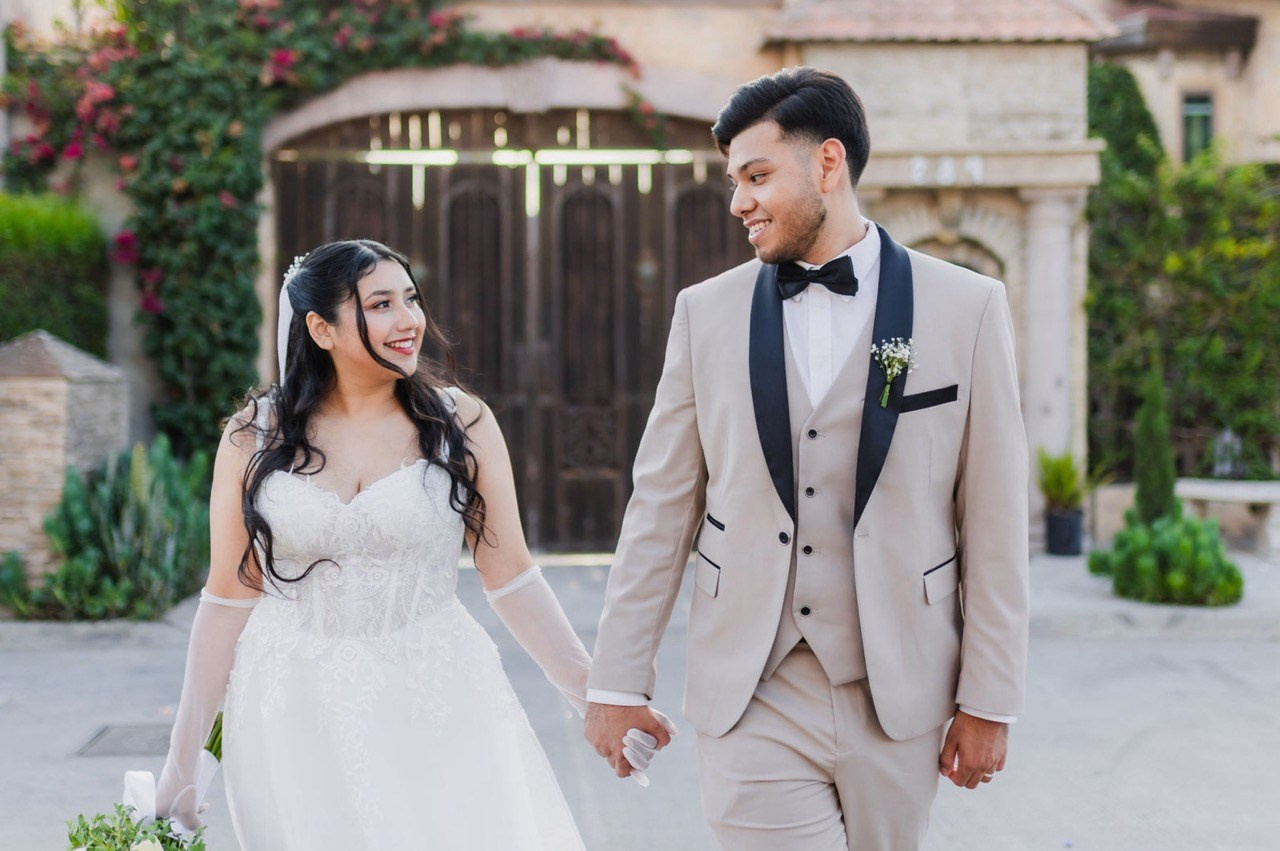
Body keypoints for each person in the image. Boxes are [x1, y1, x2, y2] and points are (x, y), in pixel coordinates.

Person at [584, 67, 1030, 849]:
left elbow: (994, 519)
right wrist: (618, 678)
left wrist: (990, 698)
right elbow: (661, 508)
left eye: (757, 176)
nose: (738, 202)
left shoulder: (968, 307)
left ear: (828, 163)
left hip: (900, 690)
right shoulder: (704, 314)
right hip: (753, 689)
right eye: (734, 181)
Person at [147, 239, 668, 848]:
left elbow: (512, 577)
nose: (409, 320)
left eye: (411, 299)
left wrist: (596, 698)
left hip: (433, 694)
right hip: (289, 710)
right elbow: (226, 601)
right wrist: (181, 768)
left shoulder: (460, 423)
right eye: (381, 304)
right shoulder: (254, 434)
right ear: (320, 328)